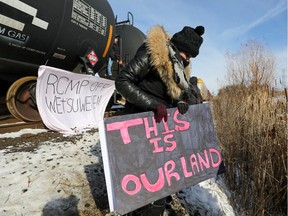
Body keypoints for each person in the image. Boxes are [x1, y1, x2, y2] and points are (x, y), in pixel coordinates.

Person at [115, 25, 205, 215]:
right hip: (139, 125)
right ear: (178, 47)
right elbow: (123, 82)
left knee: (157, 182)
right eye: (187, 55)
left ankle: (154, 206)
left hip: (159, 130)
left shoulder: (180, 68)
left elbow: (170, 95)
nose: (188, 60)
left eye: (190, 57)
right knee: (144, 179)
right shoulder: (153, 53)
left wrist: (180, 102)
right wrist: (153, 104)